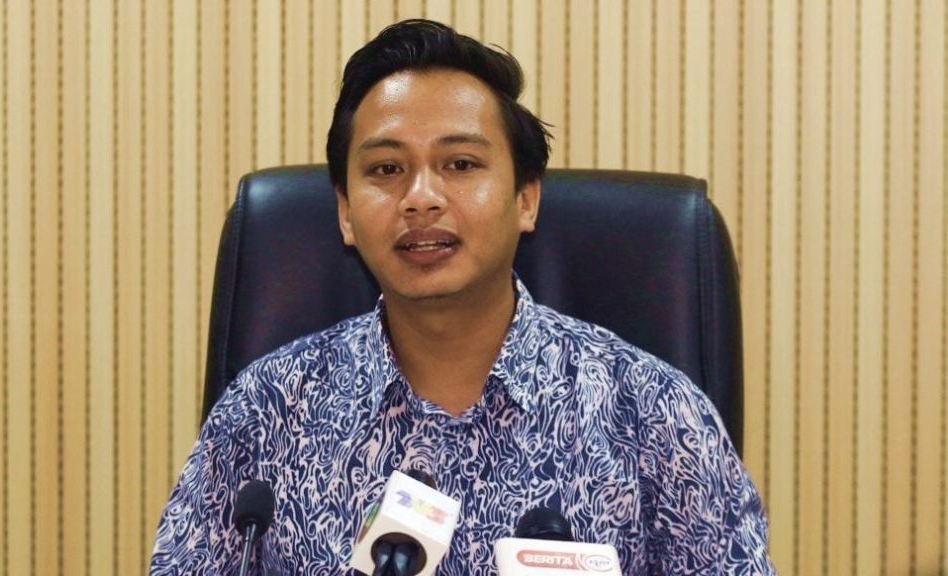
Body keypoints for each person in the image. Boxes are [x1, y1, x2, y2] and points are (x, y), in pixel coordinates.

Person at [150, 19, 775, 575]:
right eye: (386, 170)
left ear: (526, 197)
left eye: (461, 164)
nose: (421, 198)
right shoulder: (266, 412)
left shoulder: (655, 416)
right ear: (344, 212)